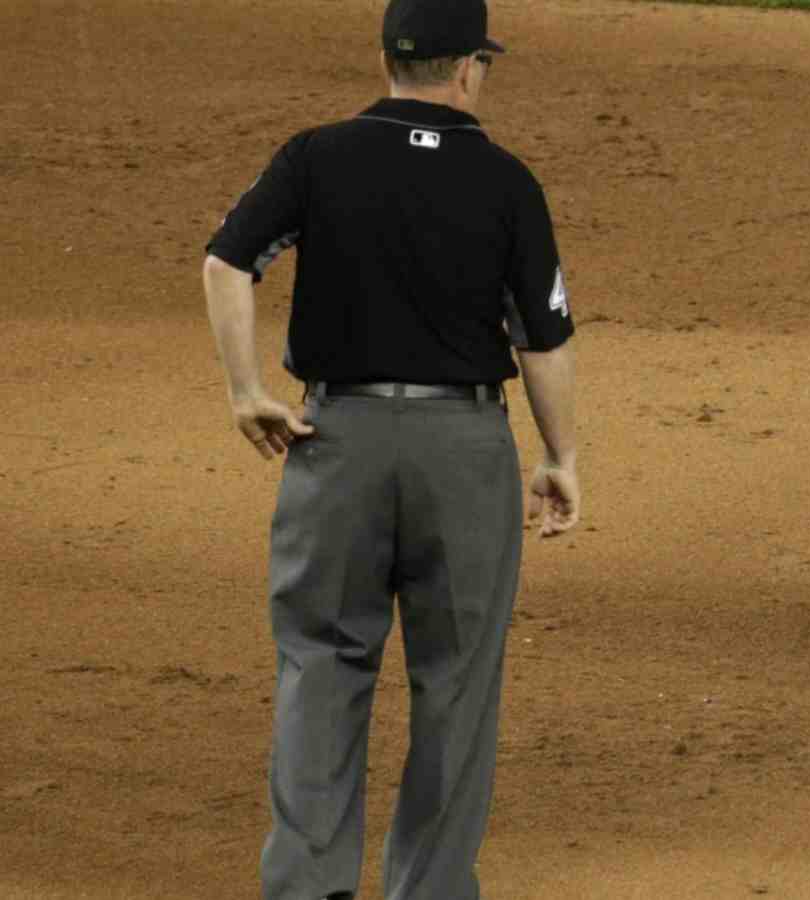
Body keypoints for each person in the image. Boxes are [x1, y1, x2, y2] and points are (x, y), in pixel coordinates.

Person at [202, 0, 580, 895]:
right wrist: (562, 456)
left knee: (321, 669)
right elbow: (543, 341)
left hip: (338, 445)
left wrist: (247, 391)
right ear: (467, 69)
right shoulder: (507, 182)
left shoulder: (315, 156)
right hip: (465, 452)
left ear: (387, 60)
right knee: (456, 685)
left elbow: (226, 262)